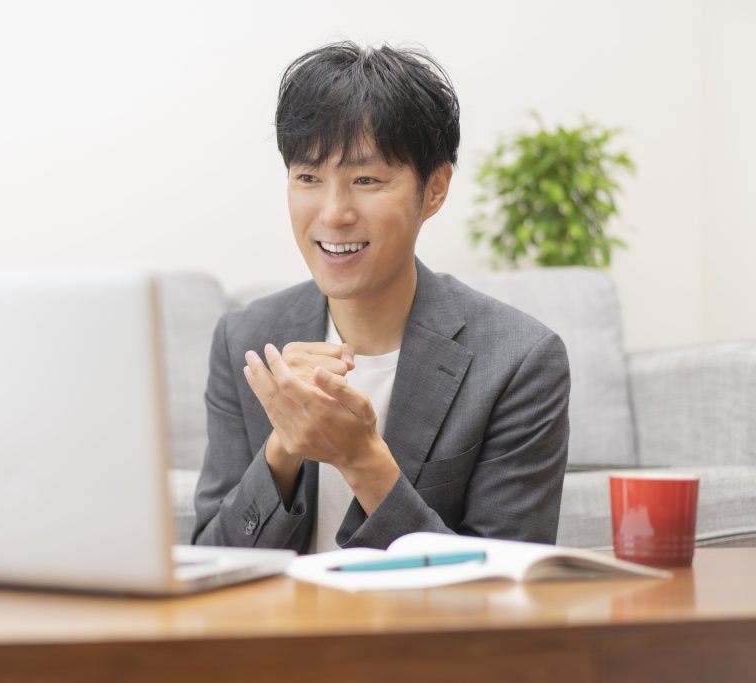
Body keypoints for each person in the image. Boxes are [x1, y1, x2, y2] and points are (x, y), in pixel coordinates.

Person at [192, 42, 570, 552]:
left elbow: (505, 584)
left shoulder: (518, 360)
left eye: (366, 179)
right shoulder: (246, 341)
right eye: (308, 177)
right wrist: (284, 445)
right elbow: (210, 561)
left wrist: (363, 460)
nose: (333, 213)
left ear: (434, 189)